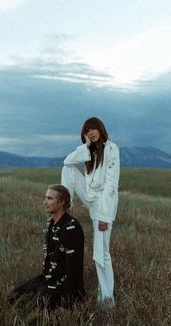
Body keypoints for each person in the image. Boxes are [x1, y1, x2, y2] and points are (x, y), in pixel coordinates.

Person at [61, 117, 120, 306]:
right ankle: (64, 210)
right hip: (90, 197)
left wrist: (104, 216)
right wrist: (85, 145)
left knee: (101, 253)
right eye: (87, 131)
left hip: (103, 204)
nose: (91, 133)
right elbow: (68, 161)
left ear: (101, 129)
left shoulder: (112, 149)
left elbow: (112, 185)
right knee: (67, 169)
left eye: (93, 129)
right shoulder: (91, 152)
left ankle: (107, 300)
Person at [8, 184, 86, 313]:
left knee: (33, 313)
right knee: (13, 296)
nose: (44, 202)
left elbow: (74, 269)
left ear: (61, 203)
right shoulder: (51, 223)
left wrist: (66, 303)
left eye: (49, 198)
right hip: (47, 278)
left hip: (61, 285)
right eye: (45, 198)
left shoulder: (71, 228)